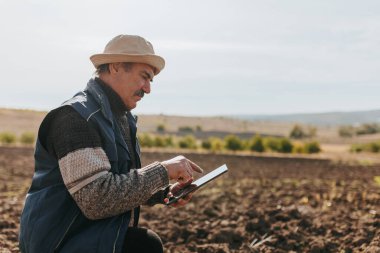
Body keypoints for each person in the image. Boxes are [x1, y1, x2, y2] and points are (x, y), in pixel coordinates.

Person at [19, 34, 203, 253]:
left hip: (86, 233)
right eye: (144, 77)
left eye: (150, 81)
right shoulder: (75, 118)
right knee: (144, 245)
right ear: (115, 66)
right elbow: (97, 199)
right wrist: (163, 171)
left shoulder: (120, 120)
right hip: (56, 242)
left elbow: (119, 180)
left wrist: (162, 192)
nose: (148, 89)